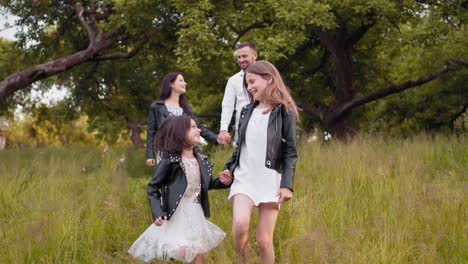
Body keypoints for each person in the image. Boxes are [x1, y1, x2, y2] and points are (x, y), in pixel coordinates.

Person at [219, 60, 299, 264]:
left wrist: (287, 185)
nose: (249, 87)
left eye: (252, 81)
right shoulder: (246, 111)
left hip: (269, 179)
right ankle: (242, 261)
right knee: (240, 225)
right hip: (244, 177)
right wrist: (229, 168)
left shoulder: (284, 111)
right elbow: (241, 147)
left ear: (269, 79)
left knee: (264, 240)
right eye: (247, 84)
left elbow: (290, 152)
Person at [129, 115, 233, 263]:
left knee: (196, 254)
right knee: (182, 250)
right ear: (179, 132)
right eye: (193, 127)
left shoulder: (201, 160)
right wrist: (157, 211)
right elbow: (153, 186)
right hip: (176, 215)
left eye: (197, 127)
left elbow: (207, 184)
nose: (198, 130)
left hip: (195, 214)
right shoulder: (170, 162)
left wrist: (225, 182)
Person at [146, 72, 230, 166]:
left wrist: (216, 138)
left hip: (185, 152)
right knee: (168, 179)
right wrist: (150, 155)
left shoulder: (186, 109)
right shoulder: (157, 107)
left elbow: (198, 127)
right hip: (166, 152)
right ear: (171, 84)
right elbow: (151, 132)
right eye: (181, 80)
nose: (185, 83)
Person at [219, 42, 258, 144]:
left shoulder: (266, 75)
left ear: (255, 55)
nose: (241, 60)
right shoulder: (233, 80)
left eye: (244, 56)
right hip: (242, 130)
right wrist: (223, 129)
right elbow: (227, 106)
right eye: (238, 57)